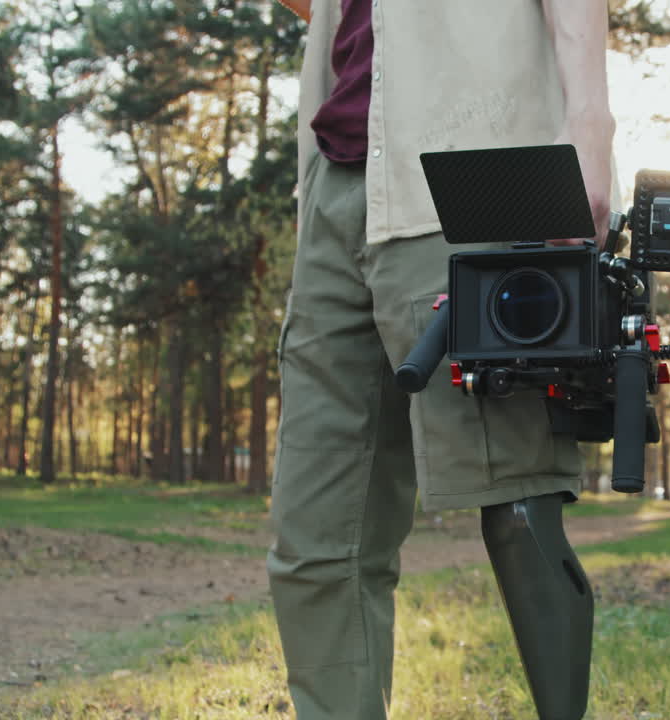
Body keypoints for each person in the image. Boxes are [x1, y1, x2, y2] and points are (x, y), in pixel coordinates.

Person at [266, 1, 616, 718]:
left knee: (518, 502)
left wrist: (588, 124)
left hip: (473, 160)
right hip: (336, 181)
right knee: (319, 535)